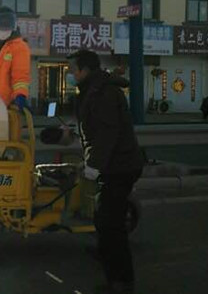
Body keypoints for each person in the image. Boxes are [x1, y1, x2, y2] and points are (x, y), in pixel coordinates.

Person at [66, 49, 145, 294]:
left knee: (111, 224)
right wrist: (70, 133)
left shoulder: (103, 93)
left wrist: (93, 166)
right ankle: (106, 254)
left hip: (120, 166)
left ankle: (121, 282)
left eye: (72, 70)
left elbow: (107, 134)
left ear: (85, 70)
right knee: (104, 218)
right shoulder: (93, 89)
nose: (70, 74)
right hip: (114, 164)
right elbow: (93, 127)